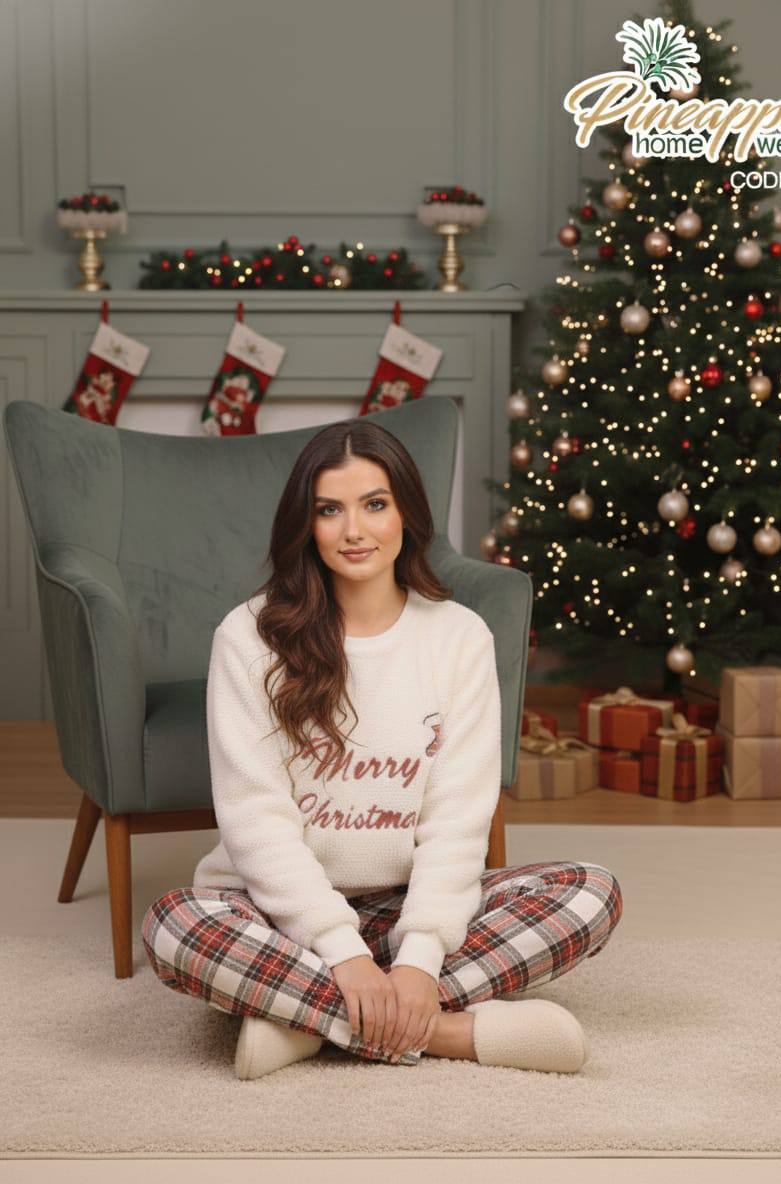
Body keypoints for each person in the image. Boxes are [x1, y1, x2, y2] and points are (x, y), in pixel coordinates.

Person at [141, 416, 623, 1079]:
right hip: (276, 910)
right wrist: (343, 953)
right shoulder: (248, 637)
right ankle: (450, 1033)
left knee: (589, 891)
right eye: (329, 511)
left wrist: (420, 959)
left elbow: (458, 823)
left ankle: (308, 1023)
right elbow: (255, 824)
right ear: (305, 527)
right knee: (173, 925)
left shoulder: (459, 637)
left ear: (407, 515)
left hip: (407, 902)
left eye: (375, 504)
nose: (354, 530)